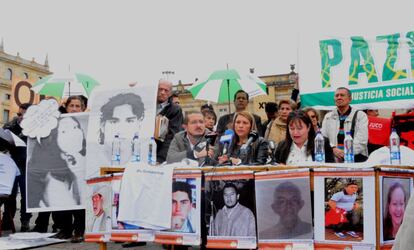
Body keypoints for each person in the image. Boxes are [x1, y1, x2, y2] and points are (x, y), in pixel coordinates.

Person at [2, 103, 32, 232]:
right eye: (19, 114)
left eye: (25, 115)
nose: (21, 117)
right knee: (10, 194)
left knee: (26, 195)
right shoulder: (9, 126)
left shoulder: (37, 128)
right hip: (11, 165)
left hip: (28, 166)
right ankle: (8, 220)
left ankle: (25, 221)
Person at [321, 87, 368, 162]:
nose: (339, 97)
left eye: (342, 95)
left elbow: (362, 141)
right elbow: (323, 138)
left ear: (350, 99)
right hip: (334, 161)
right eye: (336, 96)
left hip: (355, 160)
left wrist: (345, 154)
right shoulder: (328, 117)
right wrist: (333, 149)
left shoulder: (360, 115)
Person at [99, 92, 145, 165]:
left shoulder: (144, 162)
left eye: (129, 121)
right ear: (102, 126)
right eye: (114, 122)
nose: (121, 129)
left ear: (138, 125)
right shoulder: (91, 161)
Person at [155, 79, 184, 163]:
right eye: (160, 89)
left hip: (160, 156)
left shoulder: (175, 110)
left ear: (170, 93)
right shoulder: (147, 105)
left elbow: (172, 136)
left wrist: (160, 159)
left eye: (166, 90)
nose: (162, 92)